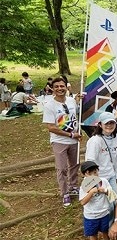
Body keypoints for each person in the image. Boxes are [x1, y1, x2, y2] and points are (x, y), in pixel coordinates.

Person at [43, 77, 83, 206]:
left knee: (75, 165)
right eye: (56, 87)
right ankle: (65, 193)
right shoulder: (49, 105)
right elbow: (51, 127)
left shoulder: (71, 101)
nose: (60, 88)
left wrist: (78, 101)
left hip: (74, 140)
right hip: (59, 141)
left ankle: (73, 186)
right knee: (61, 168)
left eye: (62, 86)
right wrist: (70, 134)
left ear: (66, 87)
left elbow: (76, 115)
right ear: (52, 89)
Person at [78, 161, 116, 240]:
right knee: (92, 233)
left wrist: (105, 191)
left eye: (96, 172)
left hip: (104, 212)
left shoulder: (103, 181)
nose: (95, 174)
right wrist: (91, 192)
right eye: (93, 173)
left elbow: (112, 194)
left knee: (105, 230)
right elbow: (83, 202)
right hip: (91, 215)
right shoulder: (84, 186)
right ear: (86, 174)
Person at [84, 112, 117, 194]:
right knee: (101, 200)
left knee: (114, 198)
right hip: (99, 177)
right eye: (106, 123)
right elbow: (90, 161)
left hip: (111, 175)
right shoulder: (95, 140)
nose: (109, 125)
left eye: (112, 123)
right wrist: (93, 180)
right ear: (100, 125)